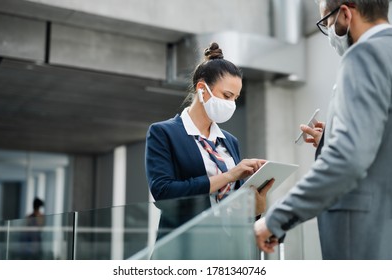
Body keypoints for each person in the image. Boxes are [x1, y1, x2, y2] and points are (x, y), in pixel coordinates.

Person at [254, 0, 392, 260]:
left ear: (345, 14)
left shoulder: (364, 55)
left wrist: (276, 218)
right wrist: (332, 138)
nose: (329, 31)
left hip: (364, 241)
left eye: (326, 22)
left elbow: (348, 159)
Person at [145, 42, 274, 238]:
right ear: (202, 89)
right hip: (184, 250)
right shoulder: (163, 133)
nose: (231, 104)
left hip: (228, 248)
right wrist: (230, 175)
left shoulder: (229, 141)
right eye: (227, 95)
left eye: (235, 98)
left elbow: (232, 205)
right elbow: (164, 193)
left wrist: (255, 208)